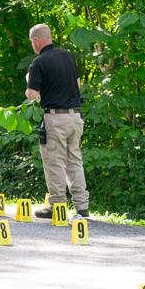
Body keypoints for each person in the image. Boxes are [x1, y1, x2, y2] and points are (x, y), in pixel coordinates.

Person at [25, 24, 89, 220]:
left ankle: (57, 206)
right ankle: (82, 208)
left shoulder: (38, 63)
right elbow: (77, 85)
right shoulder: (68, 57)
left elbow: (32, 96)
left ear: (36, 41)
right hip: (75, 117)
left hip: (55, 118)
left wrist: (29, 81)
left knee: (55, 162)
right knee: (75, 162)